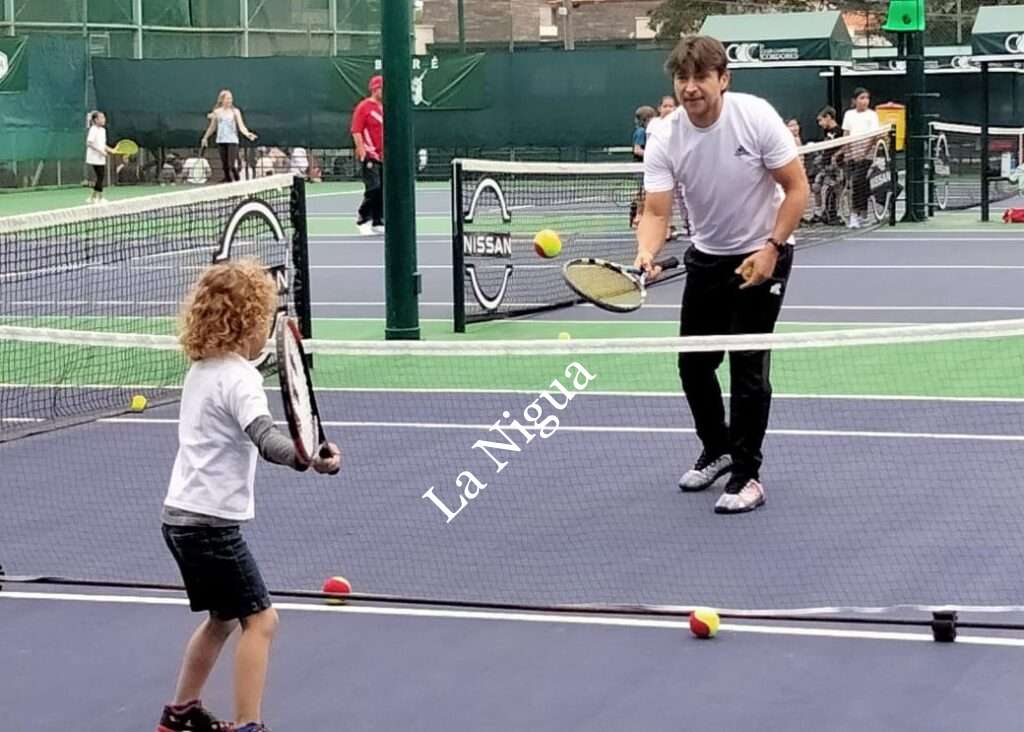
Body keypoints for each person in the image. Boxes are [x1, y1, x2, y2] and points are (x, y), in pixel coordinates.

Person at [157, 259, 341, 732]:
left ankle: (179, 714)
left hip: (178, 520)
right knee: (261, 620)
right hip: (211, 527)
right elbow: (264, 436)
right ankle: (248, 724)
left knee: (221, 617)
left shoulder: (201, 369)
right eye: (263, 320)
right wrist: (305, 457)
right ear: (247, 324)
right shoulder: (241, 378)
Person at [635, 35, 809, 515]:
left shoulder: (754, 117)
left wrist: (772, 248)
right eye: (682, 78)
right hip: (707, 257)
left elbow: (797, 188)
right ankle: (718, 448)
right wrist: (646, 252)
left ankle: (748, 475)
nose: (690, 88)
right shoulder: (665, 135)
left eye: (700, 78)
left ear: (722, 80)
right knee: (693, 365)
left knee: (747, 369)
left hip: (762, 251)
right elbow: (655, 210)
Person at [840, 87, 880, 229]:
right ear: (854, 101)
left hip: (867, 155)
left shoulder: (872, 115)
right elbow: (846, 134)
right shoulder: (849, 115)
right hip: (852, 155)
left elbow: (874, 136)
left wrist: (863, 153)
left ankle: (857, 214)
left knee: (860, 183)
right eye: (862, 98)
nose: (865, 101)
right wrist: (847, 152)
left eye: (867, 98)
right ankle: (858, 214)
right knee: (854, 185)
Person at [351, 74, 385, 236]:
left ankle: (378, 221)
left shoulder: (385, 108)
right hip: (369, 155)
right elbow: (356, 130)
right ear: (374, 89)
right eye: (381, 88)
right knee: (374, 188)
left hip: (384, 156)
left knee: (384, 189)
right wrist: (362, 151)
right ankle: (363, 219)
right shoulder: (363, 107)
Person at [201, 90, 258, 183]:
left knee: (231, 165)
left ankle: (238, 181)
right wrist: (205, 137)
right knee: (225, 166)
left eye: (231, 98)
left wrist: (248, 134)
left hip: (232, 141)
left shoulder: (235, 112)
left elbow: (241, 126)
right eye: (227, 98)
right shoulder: (217, 112)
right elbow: (212, 127)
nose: (229, 100)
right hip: (221, 141)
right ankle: (229, 183)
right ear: (222, 100)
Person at [85, 110, 117, 204]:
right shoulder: (93, 129)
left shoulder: (103, 130)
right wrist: (101, 152)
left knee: (100, 176)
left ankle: (92, 197)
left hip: (101, 157)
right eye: (101, 118)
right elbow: (89, 143)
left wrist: (111, 150)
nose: (104, 119)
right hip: (94, 157)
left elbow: (102, 144)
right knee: (101, 176)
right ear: (95, 120)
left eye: (104, 117)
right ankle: (100, 197)